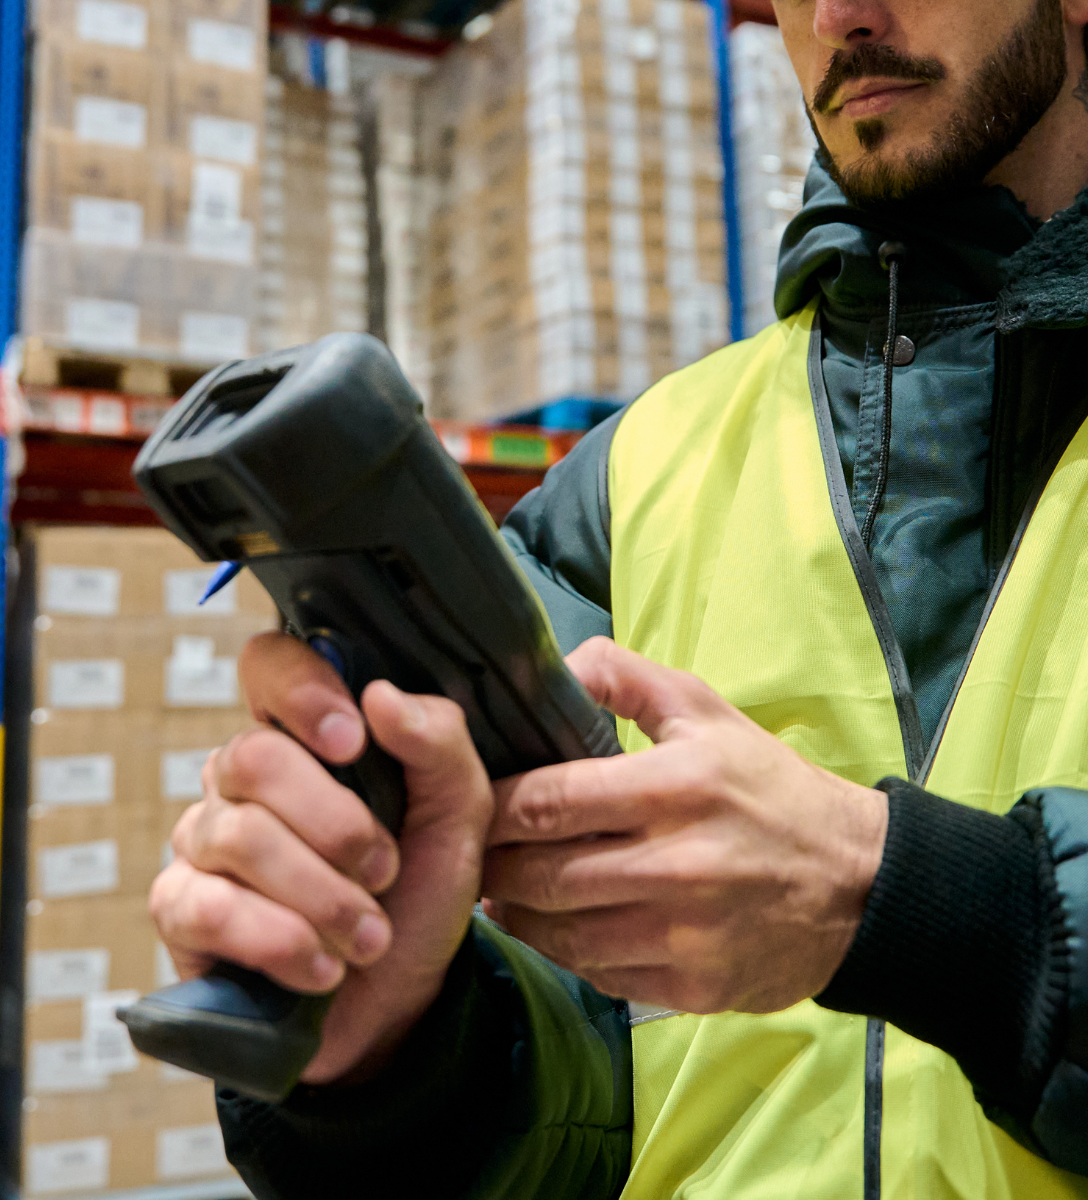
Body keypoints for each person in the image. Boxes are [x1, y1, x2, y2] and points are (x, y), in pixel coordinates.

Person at [146, 0, 1088, 1196]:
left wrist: (915, 906)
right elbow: (595, 1095)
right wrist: (400, 1052)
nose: (838, 17)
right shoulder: (634, 480)